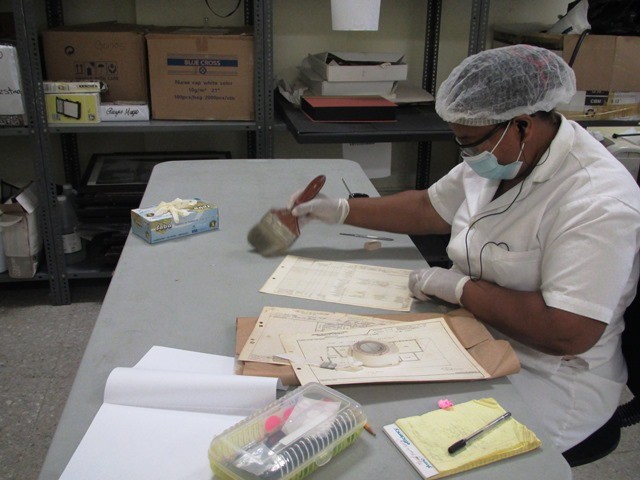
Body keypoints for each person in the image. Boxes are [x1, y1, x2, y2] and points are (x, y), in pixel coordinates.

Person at [287, 44, 640, 452]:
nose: (467, 155)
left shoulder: (597, 201)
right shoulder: (508, 152)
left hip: (545, 378)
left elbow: (567, 332)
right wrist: (341, 210)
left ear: (522, 125)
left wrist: (459, 288)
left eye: (470, 142)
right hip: (470, 332)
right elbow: (428, 207)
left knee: (400, 443)